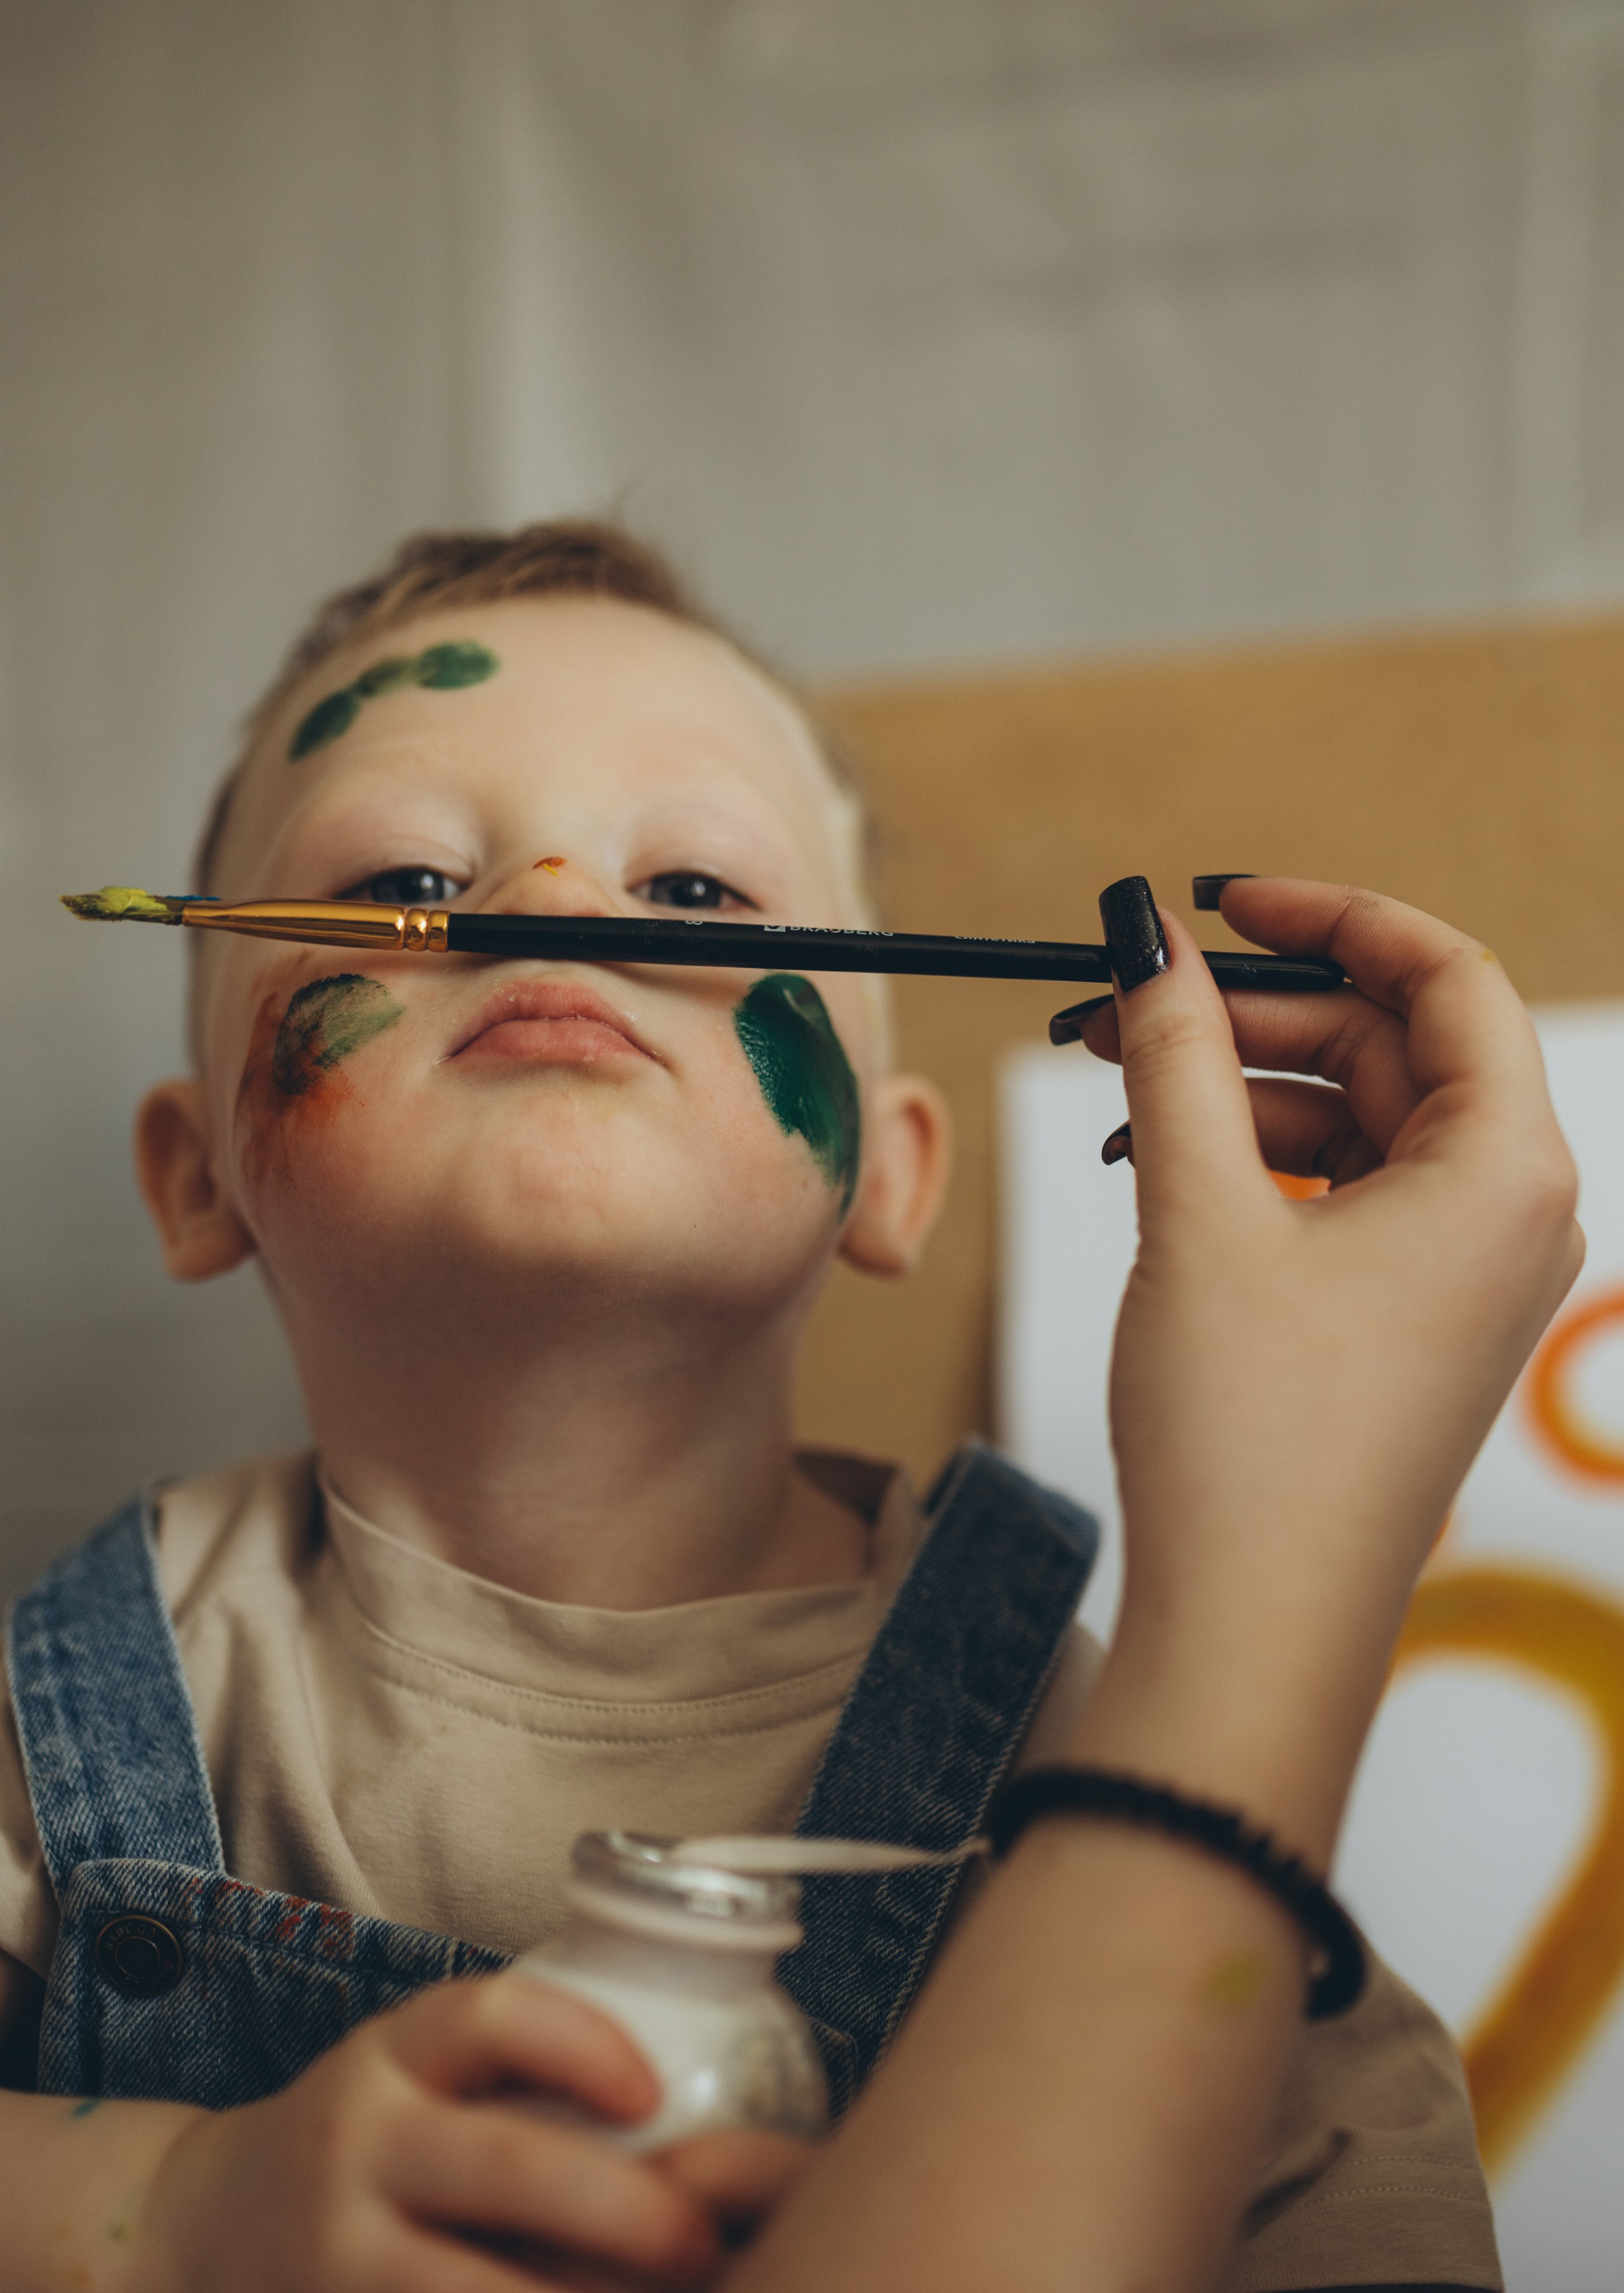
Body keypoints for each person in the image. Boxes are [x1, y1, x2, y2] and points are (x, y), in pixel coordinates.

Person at [0, 521, 1570, 2290]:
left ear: (892, 1178)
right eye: (407, 885)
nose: (558, 896)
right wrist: (163, 2211)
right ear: (194, 1170)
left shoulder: (1067, 1730)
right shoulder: (80, 1703)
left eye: (693, 893)